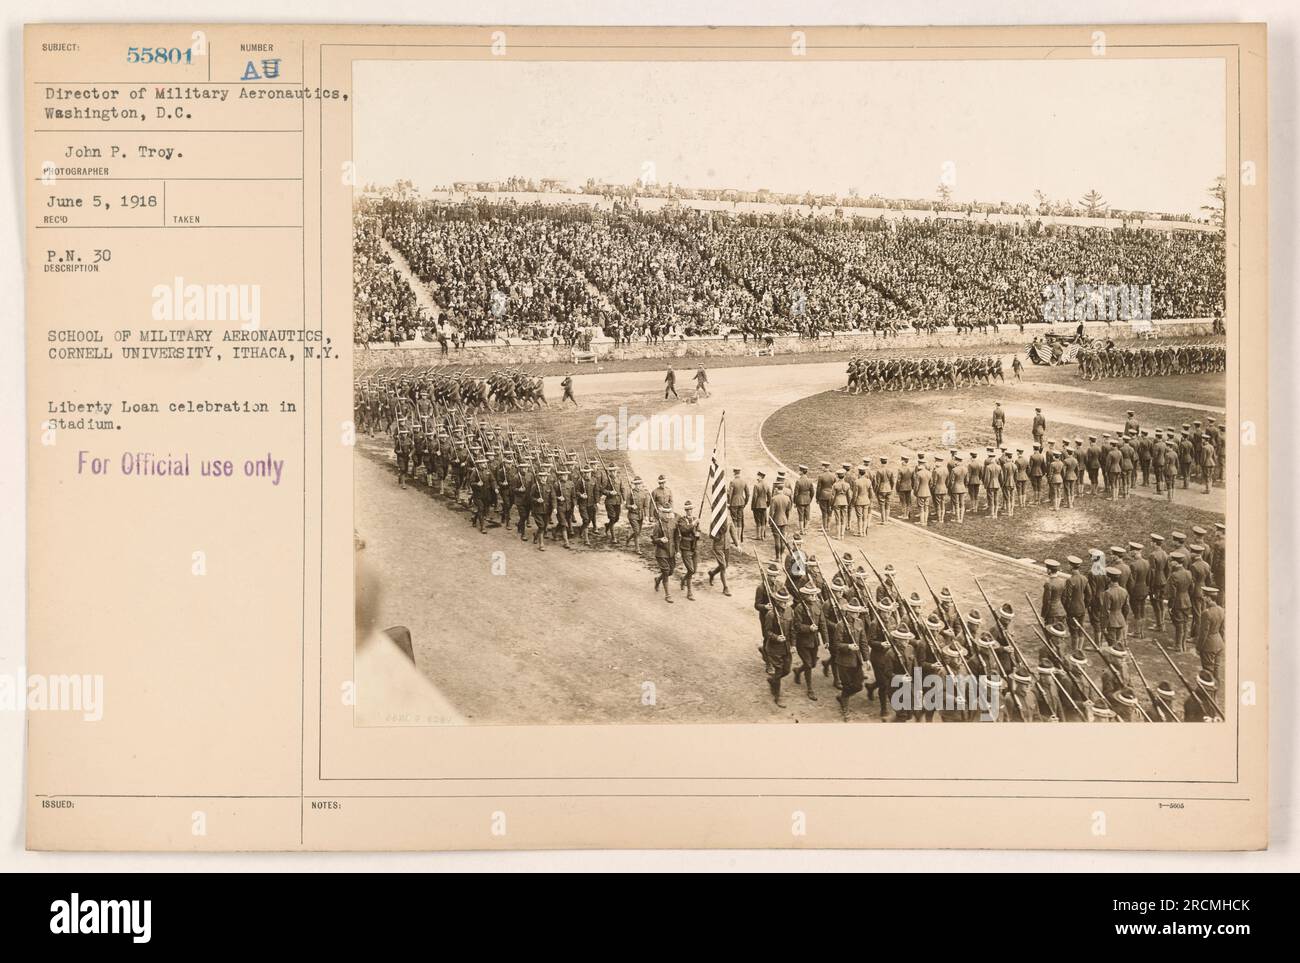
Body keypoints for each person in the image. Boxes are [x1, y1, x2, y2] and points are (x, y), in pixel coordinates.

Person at [651, 507, 678, 602]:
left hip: (671, 551)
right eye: (665, 513)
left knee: (670, 571)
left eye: (669, 512)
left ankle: (658, 579)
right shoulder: (658, 525)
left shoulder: (673, 524)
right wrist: (660, 540)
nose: (667, 515)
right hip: (661, 552)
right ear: (662, 513)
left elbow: (676, 538)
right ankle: (667, 595)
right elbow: (653, 540)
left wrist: (677, 551)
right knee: (666, 571)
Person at [675, 501, 700, 601]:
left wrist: (698, 534)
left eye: (691, 509)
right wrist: (694, 524)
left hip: (694, 547)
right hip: (685, 547)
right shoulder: (681, 520)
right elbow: (684, 530)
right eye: (688, 510)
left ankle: (683, 579)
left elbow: (698, 530)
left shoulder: (695, 519)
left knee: (694, 570)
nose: (690, 511)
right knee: (691, 570)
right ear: (685, 510)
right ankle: (689, 592)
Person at [727, 467, 749, 542]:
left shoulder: (732, 482)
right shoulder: (743, 481)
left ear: (734, 473)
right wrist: (745, 502)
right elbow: (748, 494)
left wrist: (729, 503)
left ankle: (735, 539)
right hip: (741, 502)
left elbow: (730, 494)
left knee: (734, 520)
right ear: (739, 473)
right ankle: (739, 538)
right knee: (740, 519)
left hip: (734, 503)